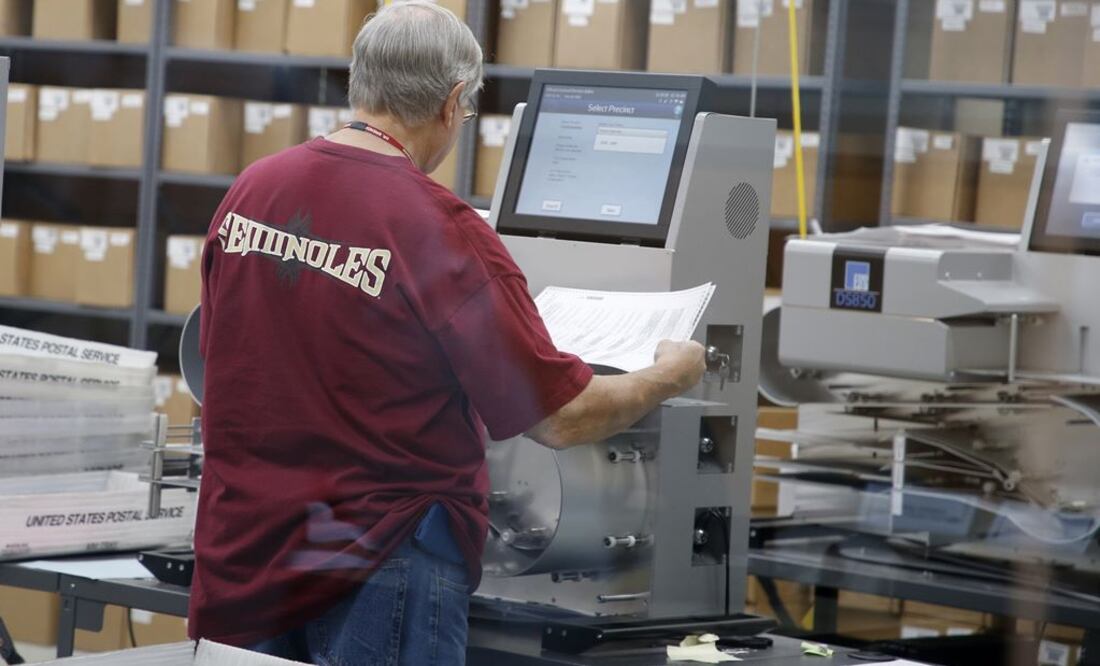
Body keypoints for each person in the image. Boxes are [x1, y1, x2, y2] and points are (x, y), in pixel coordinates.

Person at [188, 2, 706, 664]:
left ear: (360, 81)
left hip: (247, 549)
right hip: (381, 560)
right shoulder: (440, 227)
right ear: (452, 100)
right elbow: (560, 419)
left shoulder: (253, 189)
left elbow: (232, 355)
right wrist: (670, 374)